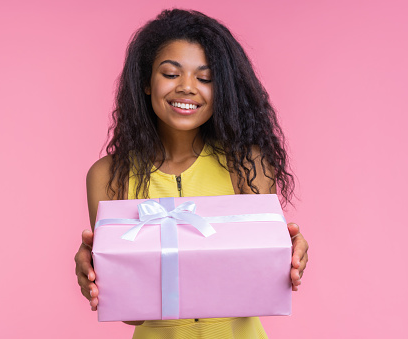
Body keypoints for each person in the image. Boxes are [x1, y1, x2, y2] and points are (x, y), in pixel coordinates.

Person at [74, 8, 309, 338]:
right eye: (171, 74)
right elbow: (130, 314)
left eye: (205, 78)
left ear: (222, 89)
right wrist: (99, 279)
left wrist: (285, 258)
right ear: (145, 81)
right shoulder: (109, 175)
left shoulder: (248, 164)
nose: (187, 88)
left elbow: (256, 286)